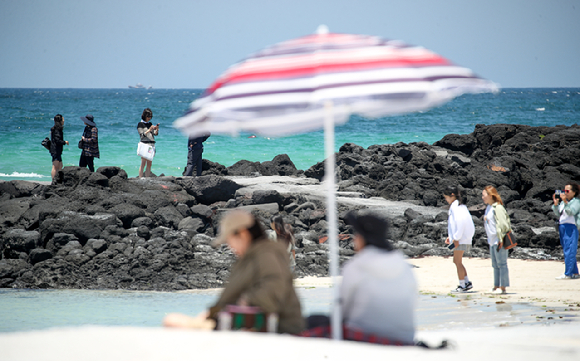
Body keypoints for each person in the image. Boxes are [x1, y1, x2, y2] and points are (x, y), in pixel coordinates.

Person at [163, 210, 304, 334]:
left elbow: (273, 287)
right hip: (250, 322)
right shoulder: (250, 258)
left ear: (242, 234)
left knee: (172, 321)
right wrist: (214, 313)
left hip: (269, 326)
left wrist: (240, 306)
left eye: (229, 240)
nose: (230, 246)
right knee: (174, 321)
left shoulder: (265, 253)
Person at [340, 211, 417, 344]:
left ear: (364, 238)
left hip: (365, 337)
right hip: (405, 338)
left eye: (357, 235)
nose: (354, 239)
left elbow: (342, 311)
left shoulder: (355, 266)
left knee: (316, 321)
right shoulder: (404, 266)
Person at [443, 185, 475, 292]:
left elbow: (460, 223)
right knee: (456, 261)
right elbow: (456, 224)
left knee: (457, 261)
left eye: (446, 197)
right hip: (462, 238)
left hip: (460, 239)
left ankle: (462, 285)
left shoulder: (456, 207)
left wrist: (456, 238)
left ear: (452, 195)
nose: (446, 199)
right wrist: (450, 236)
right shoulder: (461, 206)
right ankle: (466, 282)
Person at [482, 186, 511, 294]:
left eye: (483, 195)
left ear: (490, 196)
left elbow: (503, 224)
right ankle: (496, 286)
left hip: (499, 240)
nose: (482, 197)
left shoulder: (498, 207)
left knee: (502, 263)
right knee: (495, 264)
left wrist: (501, 238)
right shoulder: (489, 207)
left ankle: (503, 288)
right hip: (491, 240)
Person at [552, 183, 580, 280]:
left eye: (567, 191)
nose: (565, 193)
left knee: (570, 251)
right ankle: (575, 273)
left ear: (574, 192)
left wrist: (565, 201)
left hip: (571, 227)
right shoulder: (565, 202)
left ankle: (568, 273)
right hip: (563, 226)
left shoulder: (576, 202)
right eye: (564, 191)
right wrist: (556, 204)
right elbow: (559, 213)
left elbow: (571, 211)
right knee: (567, 249)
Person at [137, 108, 158, 178]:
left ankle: (147, 178)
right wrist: (149, 130)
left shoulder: (150, 124)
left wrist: (156, 129)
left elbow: (154, 134)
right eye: (148, 116)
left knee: (149, 164)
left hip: (151, 144)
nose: (149, 118)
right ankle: (140, 178)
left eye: (151, 117)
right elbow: (142, 135)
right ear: (145, 116)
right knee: (143, 163)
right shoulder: (140, 124)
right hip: (144, 144)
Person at [49, 114, 69, 182]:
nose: (64, 121)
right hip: (55, 150)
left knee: (60, 166)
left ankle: (58, 180)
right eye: (63, 120)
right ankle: (53, 181)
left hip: (57, 150)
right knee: (55, 166)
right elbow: (57, 141)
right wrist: (64, 142)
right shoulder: (57, 130)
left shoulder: (56, 129)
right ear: (59, 121)